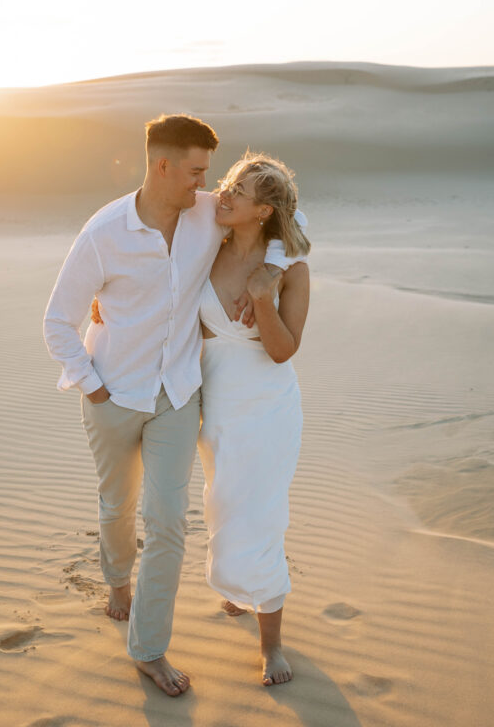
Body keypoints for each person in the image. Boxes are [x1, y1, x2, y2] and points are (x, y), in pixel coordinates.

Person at [42, 115, 292, 697]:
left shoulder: (207, 213)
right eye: (198, 172)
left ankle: (149, 648)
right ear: (163, 166)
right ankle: (117, 580)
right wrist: (92, 384)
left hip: (178, 394)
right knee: (116, 507)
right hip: (111, 395)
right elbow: (57, 321)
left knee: (169, 521)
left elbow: (288, 218)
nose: (208, 186)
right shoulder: (104, 233)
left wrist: (272, 270)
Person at [197, 151, 310, 687]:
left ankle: (273, 646)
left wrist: (264, 297)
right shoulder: (207, 242)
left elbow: (284, 349)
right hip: (213, 400)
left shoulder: (290, 269)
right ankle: (238, 589)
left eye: (239, 191)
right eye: (227, 183)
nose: (225, 194)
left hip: (267, 405)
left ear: (262, 211)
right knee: (222, 502)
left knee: (261, 515)